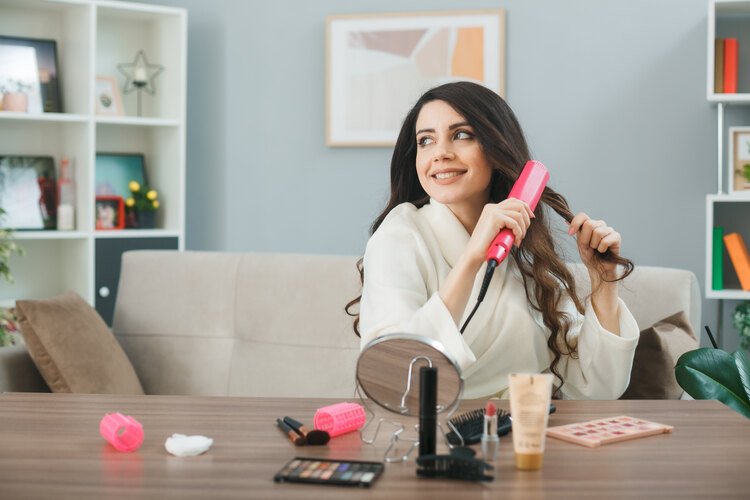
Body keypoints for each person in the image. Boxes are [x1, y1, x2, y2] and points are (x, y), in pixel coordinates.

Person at [346, 81, 639, 400]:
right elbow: (392, 377)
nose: (440, 153)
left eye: (461, 135)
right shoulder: (400, 235)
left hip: (523, 438)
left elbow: (598, 388)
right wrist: (472, 258)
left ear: (495, 147)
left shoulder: (528, 266)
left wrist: (604, 280)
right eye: (425, 141)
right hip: (440, 438)